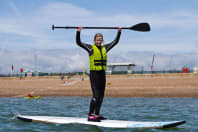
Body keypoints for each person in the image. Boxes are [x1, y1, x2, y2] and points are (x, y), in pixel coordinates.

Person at [76, 26, 122, 122]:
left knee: (101, 96)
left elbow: (115, 42)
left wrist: (119, 31)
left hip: (102, 74)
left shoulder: (105, 48)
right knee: (96, 95)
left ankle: (97, 114)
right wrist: (78, 32)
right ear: (94, 40)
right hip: (94, 74)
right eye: (97, 40)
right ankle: (90, 115)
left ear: (102, 40)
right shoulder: (90, 48)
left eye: (100, 40)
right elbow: (78, 42)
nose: (99, 41)